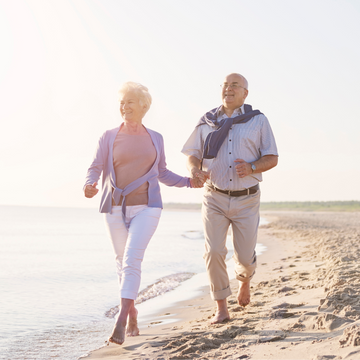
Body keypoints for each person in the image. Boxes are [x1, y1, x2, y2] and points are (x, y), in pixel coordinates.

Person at [84, 82, 198, 345]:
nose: (124, 107)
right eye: (122, 102)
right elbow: (96, 166)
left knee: (132, 260)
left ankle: (121, 318)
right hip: (113, 207)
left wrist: (189, 182)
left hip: (148, 206)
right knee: (121, 261)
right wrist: (89, 184)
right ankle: (133, 310)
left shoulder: (155, 137)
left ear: (144, 106)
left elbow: (162, 173)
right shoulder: (109, 136)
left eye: (130, 102)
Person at [182, 73, 278, 324]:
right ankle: (221, 308)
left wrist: (253, 167)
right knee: (213, 251)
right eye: (225, 85)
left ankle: (244, 281)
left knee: (245, 257)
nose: (229, 88)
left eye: (235, 85)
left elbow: (272, 157)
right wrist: (194, 170)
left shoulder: (258, 120)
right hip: (214, 196)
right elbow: (192, 153)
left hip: (246, 199)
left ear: (245, 93)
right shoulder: (207, 121)